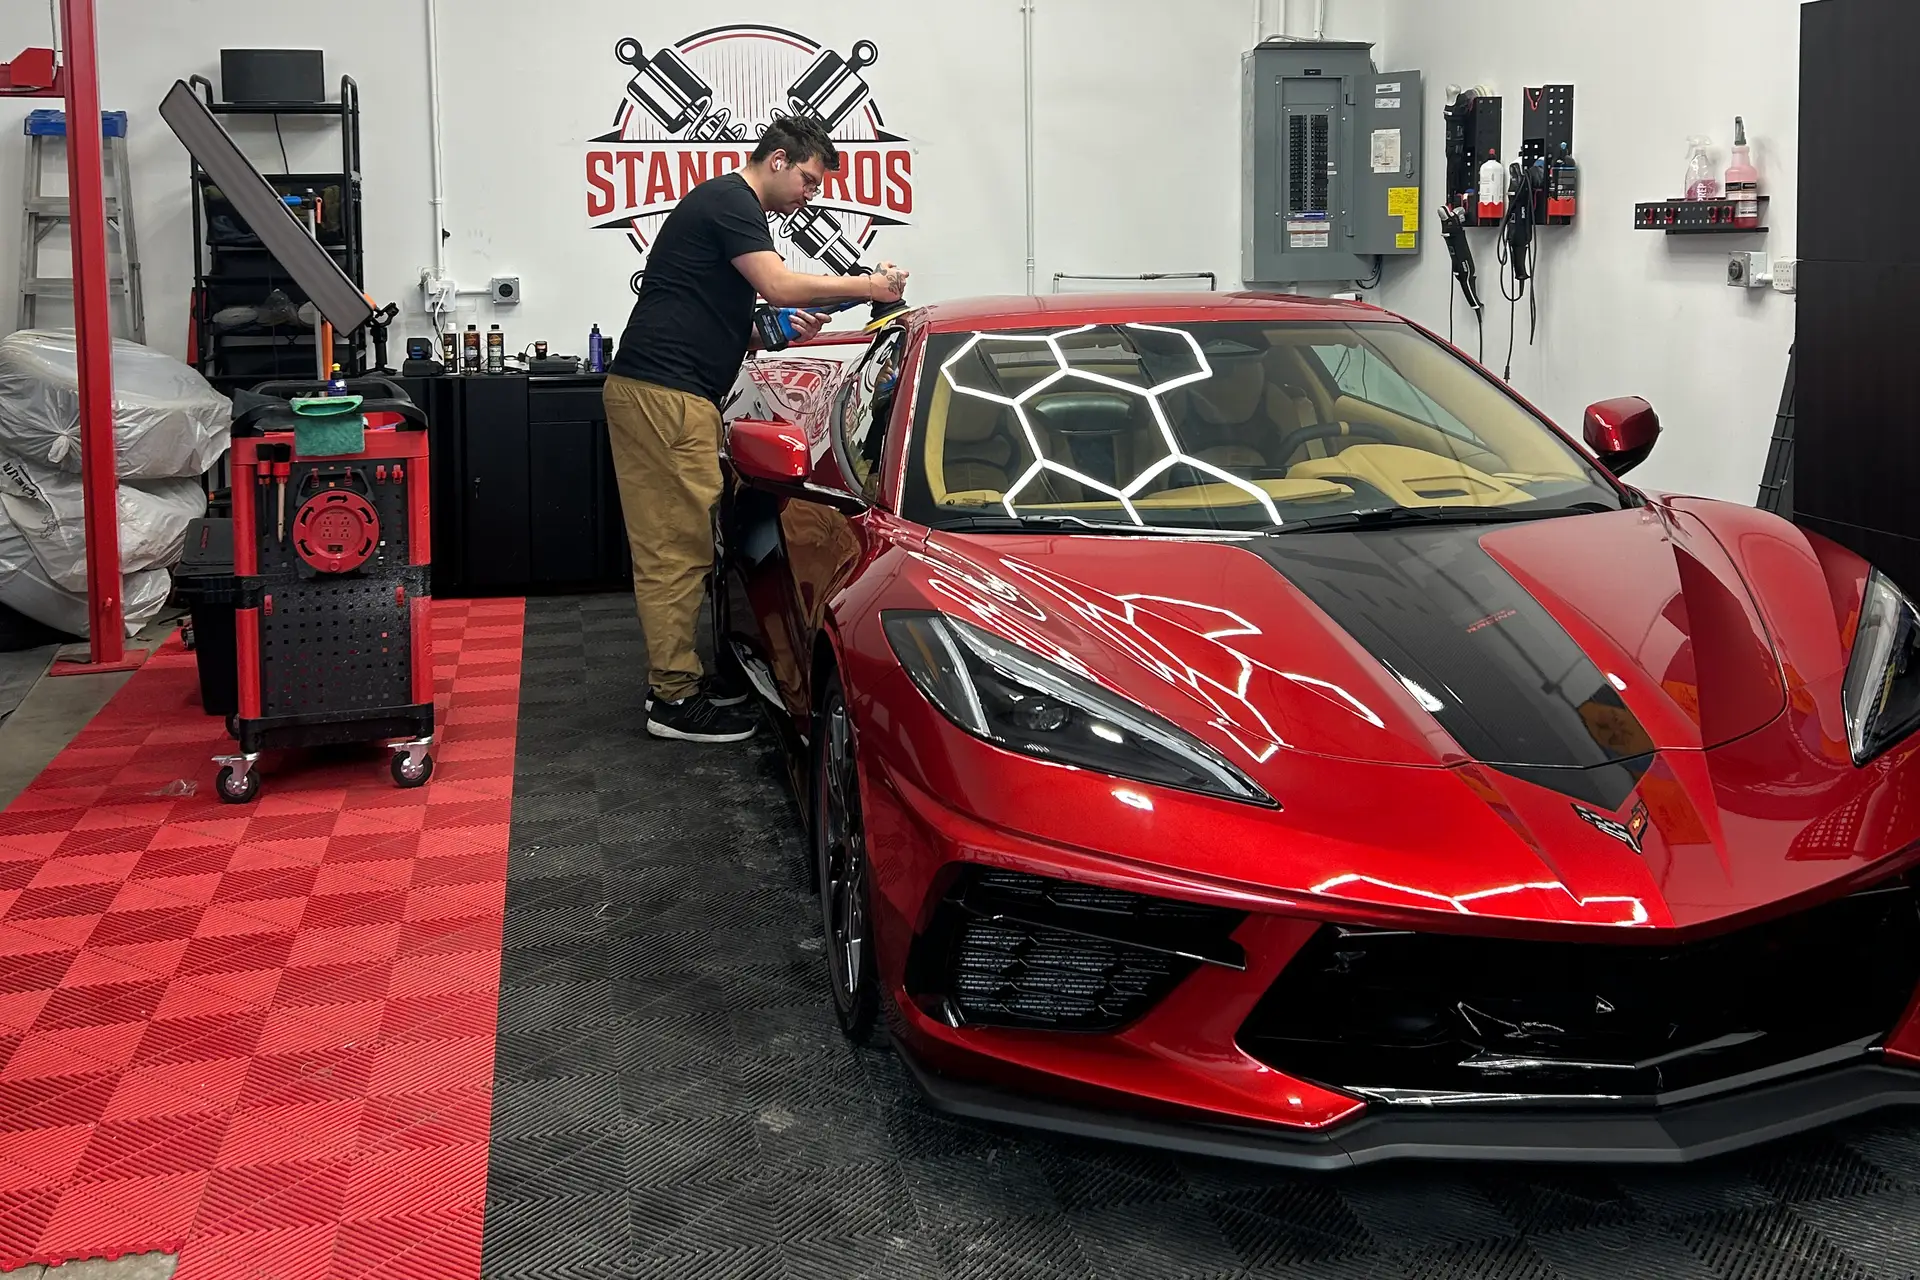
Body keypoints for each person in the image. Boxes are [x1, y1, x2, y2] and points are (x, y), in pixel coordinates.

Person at [603, 116, 908, 743]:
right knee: (674, 549)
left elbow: (722, 316)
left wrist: (770, 331)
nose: (811, 195)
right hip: (666, 396)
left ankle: (678, 681)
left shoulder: (727, 209)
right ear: (777, 160)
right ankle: (673, 699)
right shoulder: (731, 201)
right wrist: (869, 286)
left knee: (682, 544)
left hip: (671, 392)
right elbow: (778, 283)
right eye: (808, 180)